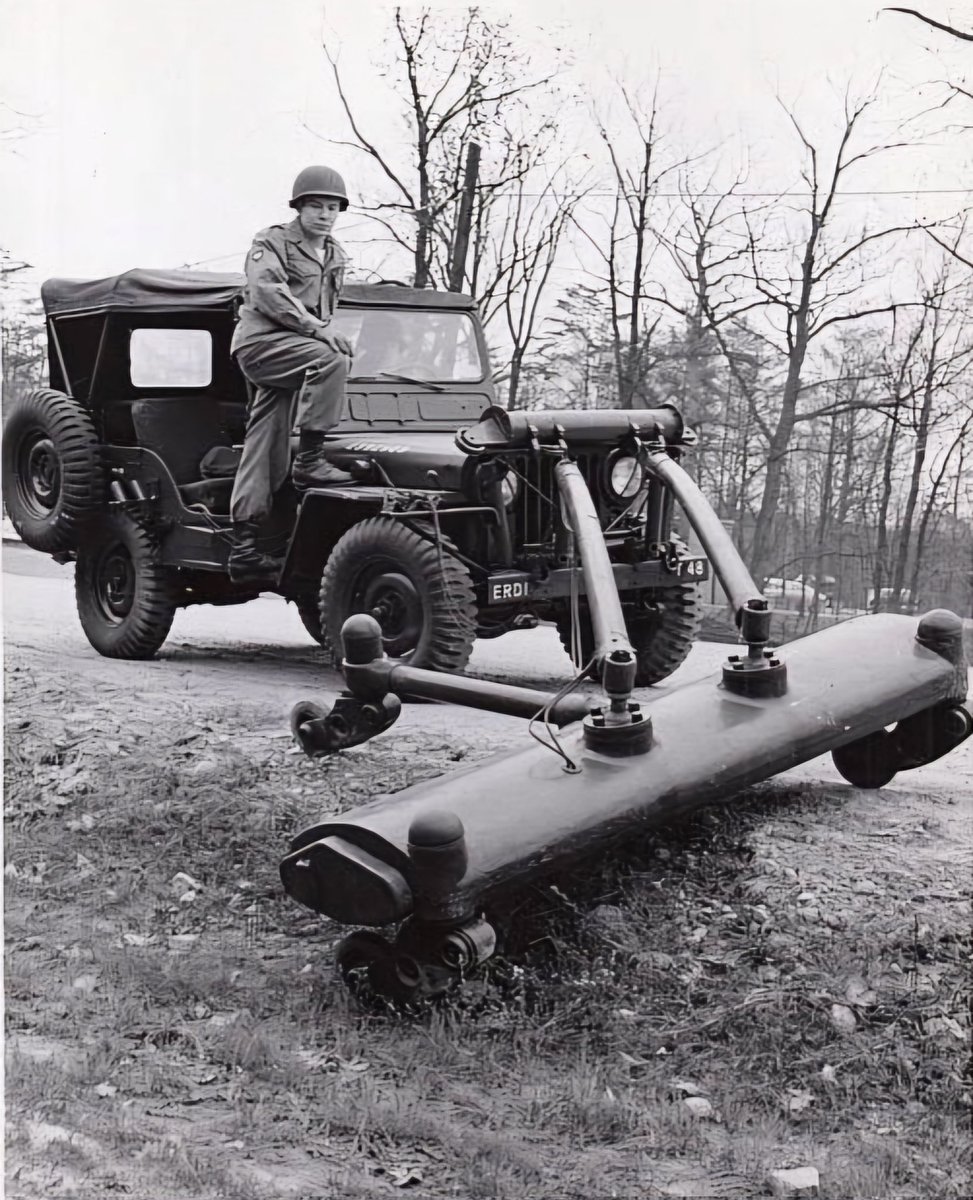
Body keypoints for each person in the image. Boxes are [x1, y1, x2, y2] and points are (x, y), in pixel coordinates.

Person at [228, 165, 356, 581]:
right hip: (262, 344)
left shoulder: (336, 254)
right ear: (299, 208)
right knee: (332, 359)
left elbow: (328, 307)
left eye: (332, 207)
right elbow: (268, 292)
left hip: (294, 352)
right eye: (315, 205)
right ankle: (312, 459)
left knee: (265, 442)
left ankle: (244, 545)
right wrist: (320, 331)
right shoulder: (272, 242)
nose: (324, 214)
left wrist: (323, 331)